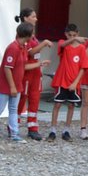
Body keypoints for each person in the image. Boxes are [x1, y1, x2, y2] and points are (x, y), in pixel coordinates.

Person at [0, 22, 33, 141]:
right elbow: (7, 68)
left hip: (17, 84)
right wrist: (12, 87)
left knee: (13, 109)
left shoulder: (23, 47)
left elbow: (23, 66)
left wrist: (39, 64)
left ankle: (14, 134)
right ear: (27, 35)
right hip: (6, 84)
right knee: (0, 108)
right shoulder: (13, 48)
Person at [15, 8, 54, 140]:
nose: (36, 19)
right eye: (33, 16)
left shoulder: (32, 35)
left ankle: (33, 128)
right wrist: (44, 43)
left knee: (35, 99)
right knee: (22, 100)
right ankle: (14, 126)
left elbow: (34, 53)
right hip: (27, 72)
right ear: (25, 18)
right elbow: (30, 52)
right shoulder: (22, 34)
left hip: (35, 72)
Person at [49, 24, 87, 141]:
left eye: (74, 35)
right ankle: (53, 130)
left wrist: (75, 83)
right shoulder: (63, 43)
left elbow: (83, 67)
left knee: (71, 105)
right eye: (69, 35)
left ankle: (66, 130)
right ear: (66, 34)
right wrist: (74, 39)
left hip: (73, 82)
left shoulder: (81, 48)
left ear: (78, 34)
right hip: (62, 80)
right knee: (57, 105)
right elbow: (63, 45)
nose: (71, 37)